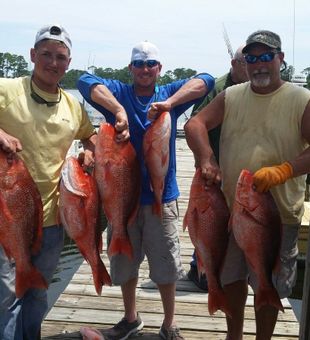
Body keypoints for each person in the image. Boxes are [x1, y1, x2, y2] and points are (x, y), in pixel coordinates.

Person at [78, 41, 215, 340]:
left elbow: (207, 79)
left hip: (161, 199)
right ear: (130, 68)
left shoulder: (169, 96)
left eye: (150, 64)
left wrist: (169, 104)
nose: (144, 69)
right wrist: (117, 110)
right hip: (120, 198)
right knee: (125, 262)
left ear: (159, 68)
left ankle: (170, 323)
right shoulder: (119, 92)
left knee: (166, 262)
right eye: (138, 64)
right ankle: (130, 317)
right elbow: (84, 80)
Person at [0, 24, 127, 340]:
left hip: (53, 219)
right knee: (5, 298)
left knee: (37, 293)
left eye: (60, 57)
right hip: (8, 215)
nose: (53, 63)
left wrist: (89, 150)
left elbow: (91, 135)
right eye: (46, 54)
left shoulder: (73, 105)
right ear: (32, 55)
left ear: (69, 63)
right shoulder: (6, 89)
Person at [184, 30, 310, 340]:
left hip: (278, 215)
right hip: (231, 210)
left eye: (266, 56)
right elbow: (194, 124)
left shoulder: (301, 99)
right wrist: (206, 158)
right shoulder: (232, 95)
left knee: (268, 283)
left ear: (280, 59)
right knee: (231, 278)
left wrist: (284, 171)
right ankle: (234, 335)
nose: (259, 65)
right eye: (251, 59)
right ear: (243, 63)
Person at [188, 45, 249, 291]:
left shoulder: (254, 90)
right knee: (206, 218)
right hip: (213, 169)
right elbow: (194, 123)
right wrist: (206, 158)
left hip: (240, 169)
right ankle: (200, 268)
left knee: (228, 222)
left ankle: (230, 267)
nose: (252, 67)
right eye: (246, 62)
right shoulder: (218, 90)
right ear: (234, 65)